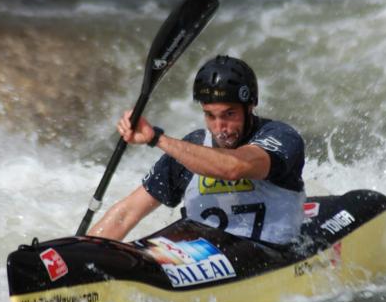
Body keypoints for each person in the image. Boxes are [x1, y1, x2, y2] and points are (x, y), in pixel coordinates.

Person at [87, 55, 306, 244]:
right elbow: (126, 213)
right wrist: (83, 253)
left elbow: (235, 167)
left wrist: (156, 139)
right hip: (203, 260)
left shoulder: (280, 136)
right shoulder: (192, 148)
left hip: (272, 256)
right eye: (210, 115)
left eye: (229, 114)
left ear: (250, 106)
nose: (220, 128)